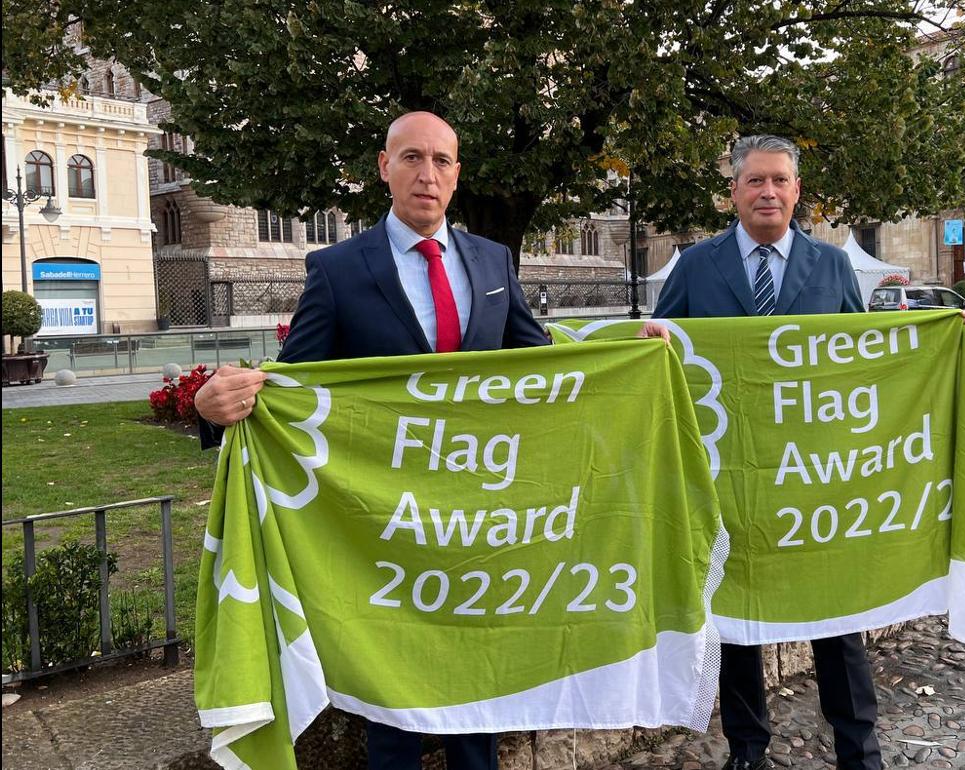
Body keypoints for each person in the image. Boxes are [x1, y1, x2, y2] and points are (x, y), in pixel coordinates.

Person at [194, 111, 663, 770]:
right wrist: (213, 407)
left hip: (480, 524)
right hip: (387, 527)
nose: (428, 174)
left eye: (442, 161)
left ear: (457, 174)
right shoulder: (337, 268)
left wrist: (623, 354)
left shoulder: (491, 259)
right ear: (384, 168)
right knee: (394, 708)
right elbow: (294, 390)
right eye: (412, 158)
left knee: (480, 692)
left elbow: (538, 363)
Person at [653, 134, 965, 770]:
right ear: (734, 192)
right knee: (739, 619)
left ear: (797, 191)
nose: (768, 192)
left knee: (837, 615)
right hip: (733, 478)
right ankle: (747, 749)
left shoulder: (831, 268)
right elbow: (664, 360)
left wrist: (937, 341)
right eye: (755, 181)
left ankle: (859, 748)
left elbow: (864, 361)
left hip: (816, 477)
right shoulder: (695, 267)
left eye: (779, 180)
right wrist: (655, 336)